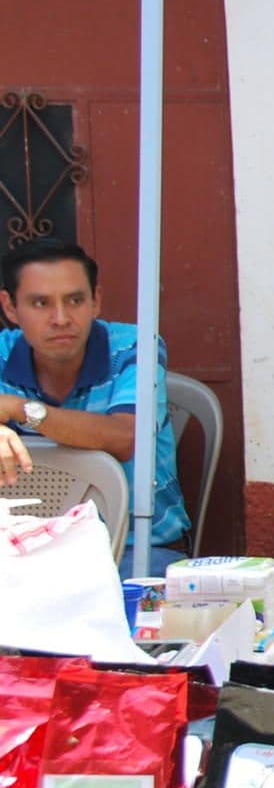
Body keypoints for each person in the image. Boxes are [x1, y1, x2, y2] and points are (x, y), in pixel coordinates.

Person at [0, 237, 191, 576]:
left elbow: (123, 437)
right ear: (10, 308)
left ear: (95, 300)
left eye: (74, 300)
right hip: (23, 551)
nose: (61, 318)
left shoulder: (135, 347)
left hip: (135, 547)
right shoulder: (3, 352)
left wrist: (18, 409)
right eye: (41, 303)